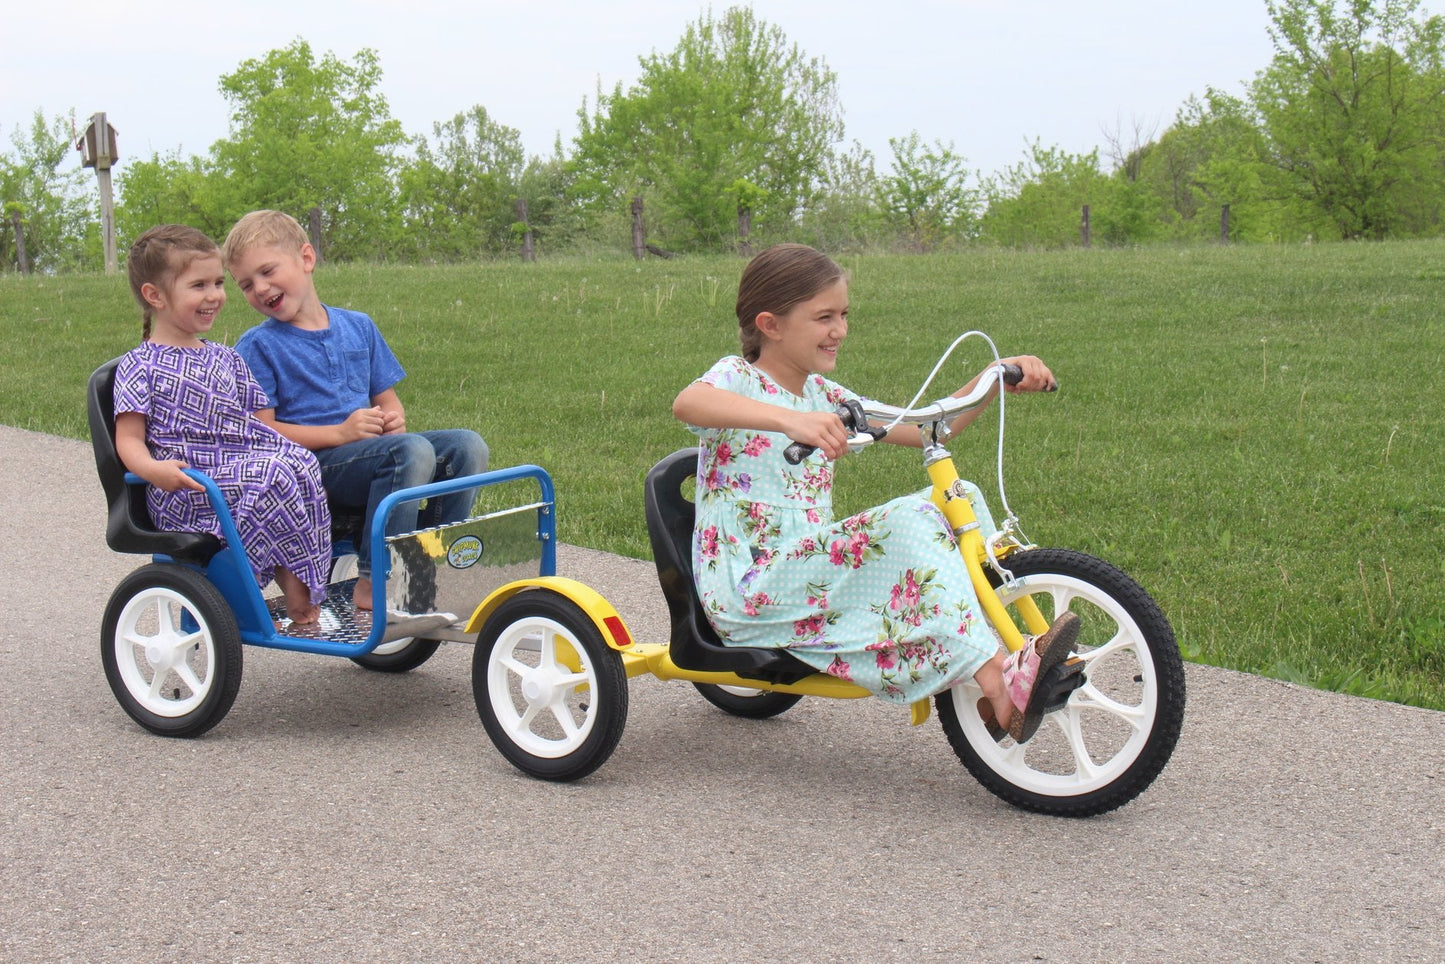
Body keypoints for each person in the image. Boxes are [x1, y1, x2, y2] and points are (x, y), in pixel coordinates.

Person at [672, 243, 1078, 743]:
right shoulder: (739, 378)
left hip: (806, 578)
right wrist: (789, 420)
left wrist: (993, 377)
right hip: (751, 588)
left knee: (959, 496)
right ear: (771, 325)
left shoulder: (825, 395)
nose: (840, 330)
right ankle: (996, 680)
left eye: (843, 315)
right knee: (909, 518)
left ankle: (1001, 636)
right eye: (824, 317)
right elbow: (689, 403)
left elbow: (928, 427)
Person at [222, 210, 488, 611]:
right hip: (311, 467)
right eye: (246, 284)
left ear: (306, 258)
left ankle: (430, 561)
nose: (260, 288)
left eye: (267, 271)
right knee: (410, 452)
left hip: (369, 454)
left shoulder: (358, 326)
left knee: (467, 446)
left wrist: (393, 420)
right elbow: (263, 434)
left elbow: (387, 400)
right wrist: (340, 434)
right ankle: (374, 578)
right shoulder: (258, 346)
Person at [112, 224, 331, 626]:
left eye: (217, 283)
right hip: (187, 487)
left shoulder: (225, 358)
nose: (214, 295)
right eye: (199, 285)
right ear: (155, 296)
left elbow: (260, 424)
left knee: (298, 463)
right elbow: (128, 440)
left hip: (236, 469)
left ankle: (303, 575)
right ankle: (273, 587)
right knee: (271, 473)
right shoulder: (139, 365)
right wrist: (154, 470)